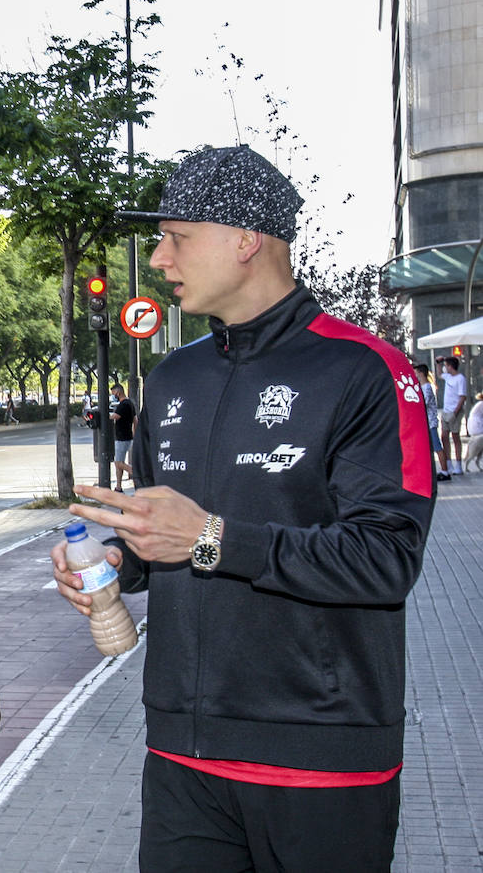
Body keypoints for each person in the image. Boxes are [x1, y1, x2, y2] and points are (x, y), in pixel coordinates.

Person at [52, 145, 435, 872]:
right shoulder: (171, 378)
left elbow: (387, 560)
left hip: (322, 756)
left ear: (245, 239)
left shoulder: (367, 372)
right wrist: (113, 560)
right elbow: (160, 530)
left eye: (177, 237)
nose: (160, 259)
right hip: (182, 754)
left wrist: (210, 540)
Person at [415, 362, 450, 481]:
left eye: (416, 373)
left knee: (437, 447)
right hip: (426, 424)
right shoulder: (422, 388)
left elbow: (423, 404)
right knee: (429, 448)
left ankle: (445, 471)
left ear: (421, 373)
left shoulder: (427, 388)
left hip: (431, 423)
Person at [438, 355, 467, 474]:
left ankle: (458, 465)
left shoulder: (460, 379)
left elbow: (462, 397)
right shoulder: (448, 377)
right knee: (444, 436)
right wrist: (438, 363)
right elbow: (439, 374)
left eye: (446, 366)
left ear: (450, 366)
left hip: (455, 411)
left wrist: (455, 412)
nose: (445, 368)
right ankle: (448, 463)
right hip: (445, 411)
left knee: (455, 437)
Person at [108, 383, 136, 489]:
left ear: (118, 392)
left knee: (118, 463)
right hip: (127, 436)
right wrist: (135, 434)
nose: (113, 395)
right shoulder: (130, 403)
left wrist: (106, 415)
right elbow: (135, 419)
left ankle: (136, 473)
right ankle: (118, 487)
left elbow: (114, 416)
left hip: (122, 438)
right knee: (119, 462)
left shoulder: (123, 405)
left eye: (114, 393)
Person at [466, 391, 483, 471]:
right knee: (475, 451)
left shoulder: (480, 403)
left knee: (478, 451)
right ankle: (467, 464)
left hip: (474, 424)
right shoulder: (482, 404)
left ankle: (476, 464)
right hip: (477, 425)